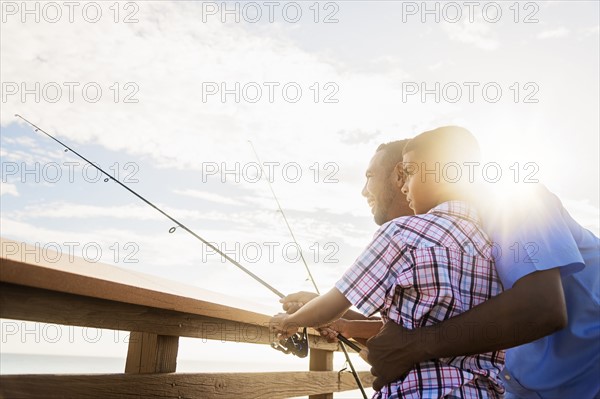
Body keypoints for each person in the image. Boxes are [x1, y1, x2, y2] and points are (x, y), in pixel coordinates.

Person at [283, 129, 600, 399]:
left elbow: (541, 308)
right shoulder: (447, 245)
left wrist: (412, 347)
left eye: (369, 176)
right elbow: (446, 325)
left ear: (401, 174)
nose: (363, 190)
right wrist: (345, 322)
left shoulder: (516, 202)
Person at [271, 127, 505, 398]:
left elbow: (334, 303)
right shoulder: (492, 246)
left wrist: (289, 321)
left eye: (410, 174)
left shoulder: (402, 233)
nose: (404, 185)